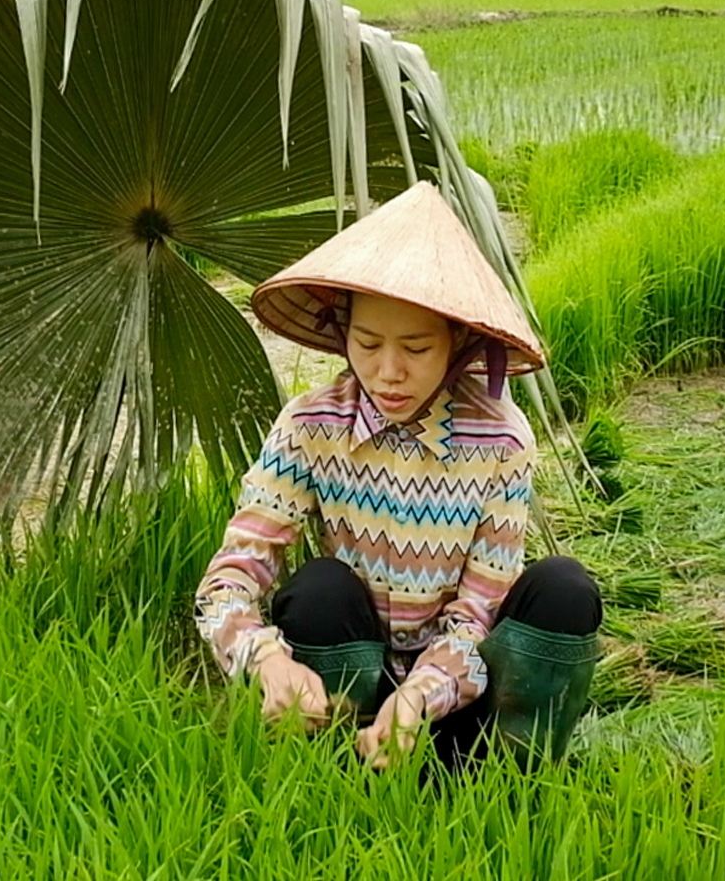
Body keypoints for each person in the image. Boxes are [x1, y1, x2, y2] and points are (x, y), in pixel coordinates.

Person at [194, 181, 603, 770]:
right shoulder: (311, 425)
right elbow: (229, 578)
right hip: (352, 681)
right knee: (319, 588)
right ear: (343, 334)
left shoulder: (501, 440)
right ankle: (331, 758)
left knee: (565, 589)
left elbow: (476, 613)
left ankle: (514, 774)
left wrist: (419, 696)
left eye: (415, 348)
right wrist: (266, 660)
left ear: (457, 343)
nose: (388, 372)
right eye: (368, 343)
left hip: (457, 689)